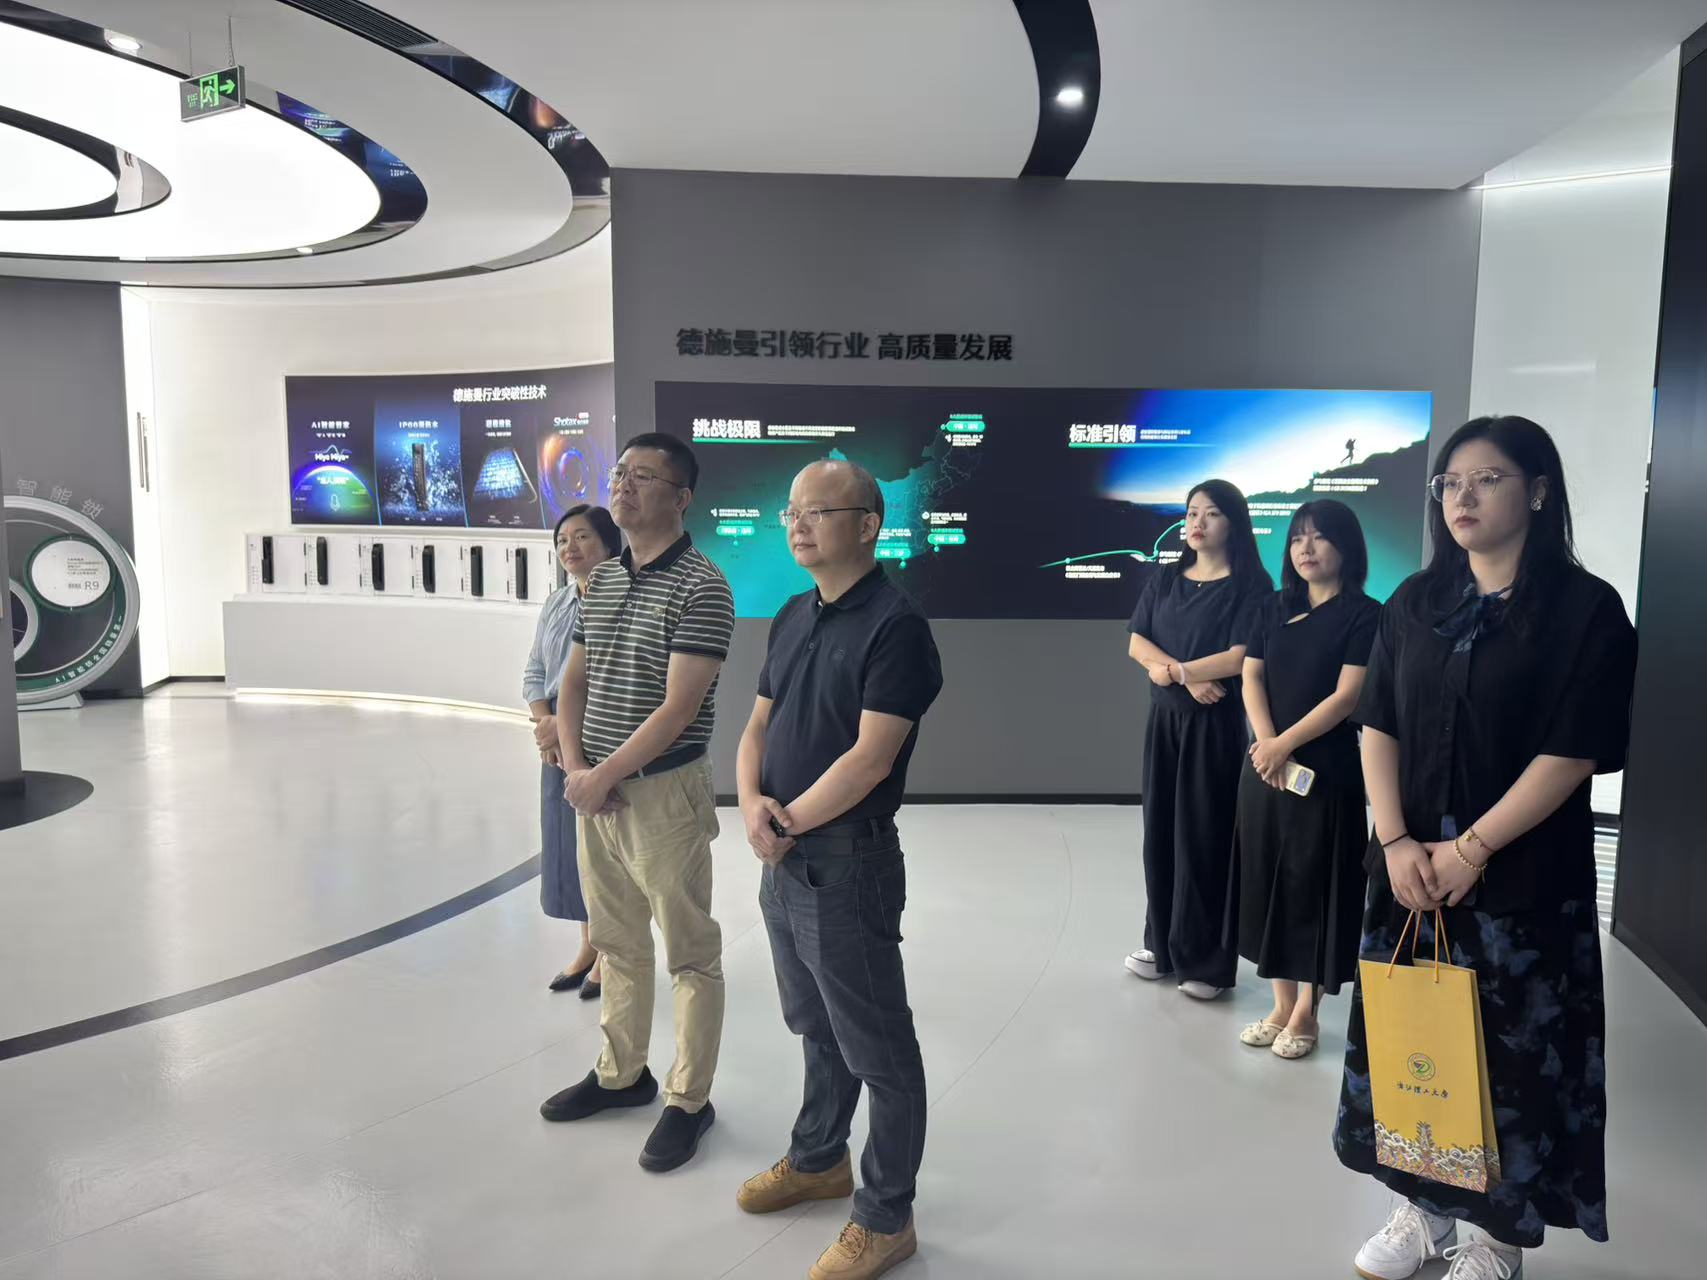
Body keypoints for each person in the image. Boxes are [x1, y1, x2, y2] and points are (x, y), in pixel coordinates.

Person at [1334, 417, 1636, 1280]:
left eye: (1487, 478)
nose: (1460, 497)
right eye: (1449, 483)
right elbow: (1377, 723)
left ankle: (1492, 1235)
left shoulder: (1585, 611)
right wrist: (1395, 839)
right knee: (1414, 1041)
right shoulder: (1412, 602)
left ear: (1537, 491)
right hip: (1405, 874)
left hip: (1520, 884)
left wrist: (1469, 849)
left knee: (1506, 1057)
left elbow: (1571, 752)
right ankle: (1423, 1208)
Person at [734, 460, 941, 1280]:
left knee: (878, 1050)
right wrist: (749, 803)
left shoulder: (897, 626)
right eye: (791, 511)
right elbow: (757, 726)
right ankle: (820, 1157)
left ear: (867, 524)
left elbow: (868, 760)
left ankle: (886, 1219)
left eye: (818, 511)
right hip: (784, 858)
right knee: (814, 1024)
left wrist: (782, 821)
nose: (797, 524)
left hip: (847, 862)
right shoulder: (794, 614)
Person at [540, 433, 736, 1177]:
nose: (622, 485)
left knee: (690, 952)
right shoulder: (602, 580)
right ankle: (622, 1075)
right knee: (618, 943)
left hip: (662, 794)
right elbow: (574, 681)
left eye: (643, 477)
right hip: (597, 789)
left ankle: (689, 1099)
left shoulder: (703, 587)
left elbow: (678, 710)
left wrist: (604, 774)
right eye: (620, 472)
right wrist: (578, 766)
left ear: (681, 498)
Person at [1232, 499, 1378, 1061]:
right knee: (1267, 878)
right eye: (1297, 538)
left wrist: (1283, 744)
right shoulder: (1272, 607)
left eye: (1319, 537)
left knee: (1313, 885)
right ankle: (1280, 1003)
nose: (1306, 549)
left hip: (1325, 772)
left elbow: (1347, 696)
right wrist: (1267, 742)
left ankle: (1306, 1014)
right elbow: (1251, 677)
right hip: (1265, 769)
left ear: (1347, 546)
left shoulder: (1365, 614)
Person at [1125, 479, 1272, 999]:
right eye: (1191, 513)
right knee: (1160, 834)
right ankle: (1162, 946)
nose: (1197, 523)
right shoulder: (1166, 577)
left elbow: (1240, 657)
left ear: (1234, 523)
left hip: (1214, 728)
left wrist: (1176, 671)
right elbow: (1137, 642)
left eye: (1211, 513)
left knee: (1205, 838)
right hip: (1164, 722)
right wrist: (1179, 676)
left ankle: (1207, 963)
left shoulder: (1251, 585)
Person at [524, 504, 622, 999]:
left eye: (582, 537)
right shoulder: (557, 602)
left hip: (598, 740)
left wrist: (561, 729)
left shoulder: (620, 601)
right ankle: (587, 946)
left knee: (602, 853)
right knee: (569, 848)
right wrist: (545, 722)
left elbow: (611, 681)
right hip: (556, 745)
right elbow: (535, 672)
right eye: (562, 540)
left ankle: (610, 953)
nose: (570, 547)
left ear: (609, 544)